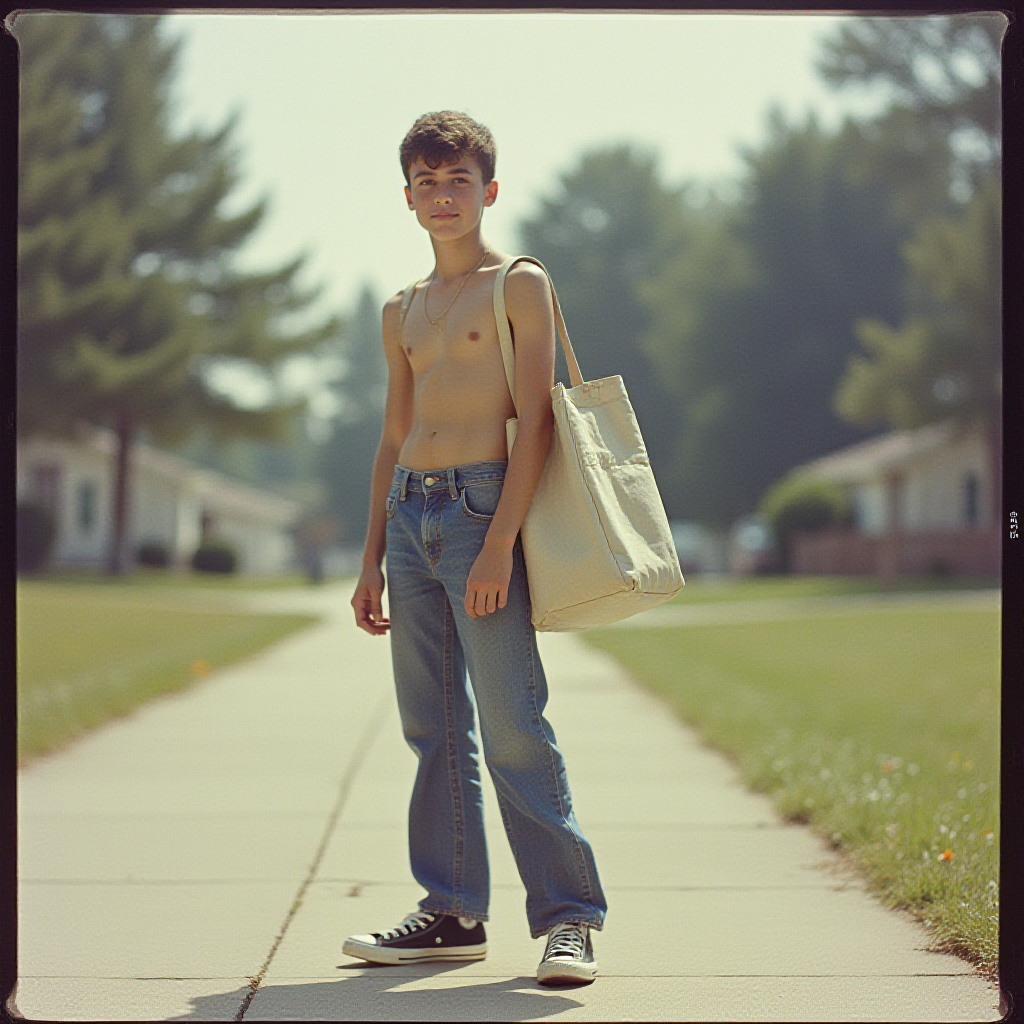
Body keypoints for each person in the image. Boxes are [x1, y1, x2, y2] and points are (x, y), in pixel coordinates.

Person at [343, 111, 606, 986]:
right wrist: (371, 553)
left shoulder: (517, 284)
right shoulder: (402, 308)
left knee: (512, 727)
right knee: (432, 729)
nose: (441, 195)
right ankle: (452, 911)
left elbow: (535, 419)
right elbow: (392, 436)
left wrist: (498, 545)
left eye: (457, 180)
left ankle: (569, 920)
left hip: (479, 510)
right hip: (411, 515)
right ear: (408, 197)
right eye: (425, 181)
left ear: (487, 191)